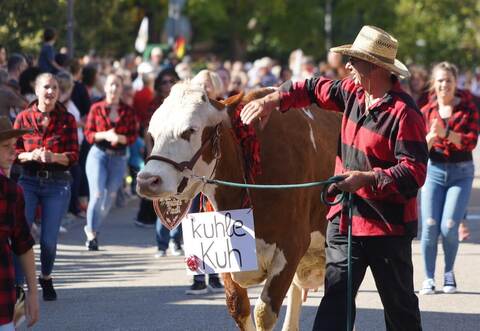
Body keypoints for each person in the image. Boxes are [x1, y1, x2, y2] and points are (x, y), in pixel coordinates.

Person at [240, 26, 426, 331]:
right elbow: (311, 88)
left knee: (400, 308)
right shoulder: (352, 92)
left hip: (387, 228)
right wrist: (272, 100)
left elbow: (414, 172)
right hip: (345, 220)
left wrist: (367, 179)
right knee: (335, 304)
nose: (348, 65)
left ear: (377, 68)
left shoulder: (405, 113)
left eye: (356, 60)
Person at [14, 73, 79, 301]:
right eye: (46, 87)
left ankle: (46, 276)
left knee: (48, 241)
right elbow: (12, 152)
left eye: (54, 88)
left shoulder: (67, 119)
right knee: (21, 234)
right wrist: (29, 154)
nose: (50, 92)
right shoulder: (23, 118)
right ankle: (19, 286)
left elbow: (73, 155)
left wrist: (54, 157)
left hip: (57, 183)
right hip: (29, 180)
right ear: (36, 89)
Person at [419, 62, 478, 295]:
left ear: (455, 83)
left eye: (449, 80)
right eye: (440, 80)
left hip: (461, 172)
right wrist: (431, 138)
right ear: (434, 84)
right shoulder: (426, 111)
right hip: (433, 171)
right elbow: (417, 149)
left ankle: (449, 272)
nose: (445, 85)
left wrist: (446, 133)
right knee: (430, 226)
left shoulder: (467, 108)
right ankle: (429, 277)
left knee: (449, 226)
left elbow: (470, 141)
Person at [83, 73, 137, 251]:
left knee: (109, 198)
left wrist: (119, 138)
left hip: (119, 157)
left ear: (122, 89)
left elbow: (132, 137)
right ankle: (91, 234)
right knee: (97, 193)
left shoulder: (128, 111)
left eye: (117, 85)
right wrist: (106, 135)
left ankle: (94, 227)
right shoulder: (96, 108)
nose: (114, 88)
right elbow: (89, 134)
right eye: (111, 84)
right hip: (98, 154)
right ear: (105, 87)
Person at [0, 116, 39, 330]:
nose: (13, 152)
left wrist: (33, 292)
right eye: (5, 146)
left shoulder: (11, 190)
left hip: (2, 293)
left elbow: (23, 243)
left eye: (13, 146)